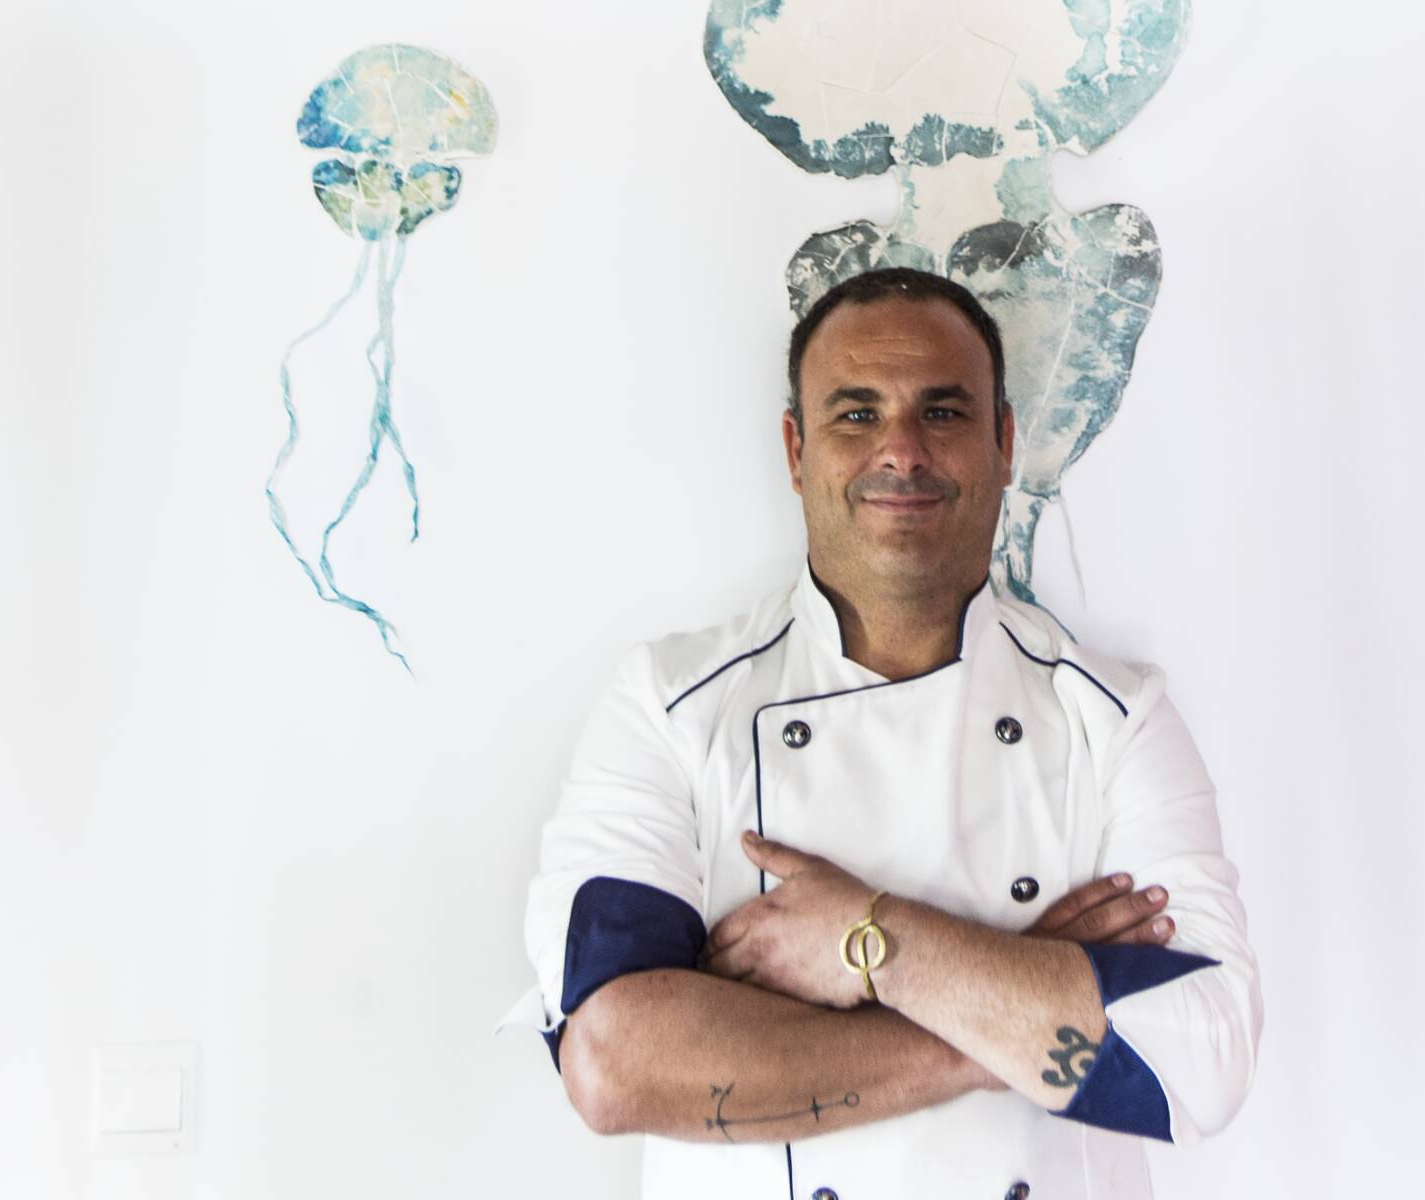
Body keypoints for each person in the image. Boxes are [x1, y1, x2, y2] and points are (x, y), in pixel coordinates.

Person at [494, 268, 1262, 1199]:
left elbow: (1199, 1064)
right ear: (796, 450)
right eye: (856, 414)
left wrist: (867, 940)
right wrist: (995, 1023)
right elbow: (616, 1062)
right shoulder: (670, 706)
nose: (901, 450)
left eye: (942, 412)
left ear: (1003, 443)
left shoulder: (1116, 717)